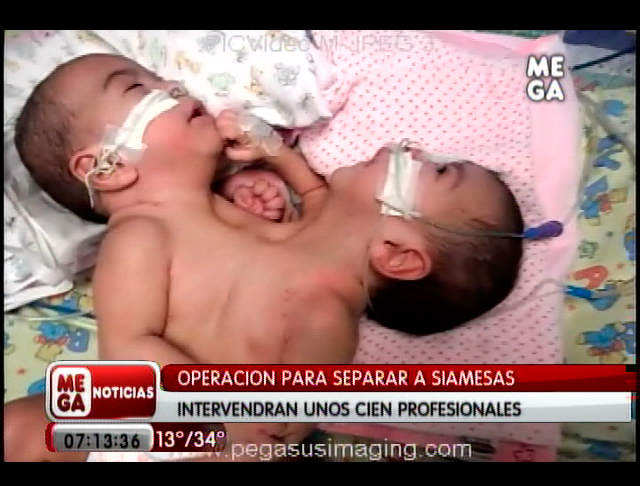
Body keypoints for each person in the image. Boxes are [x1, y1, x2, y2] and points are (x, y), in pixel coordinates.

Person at [4, 52, 523, 462]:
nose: (175, 84)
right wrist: (272, 154)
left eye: (439, 172)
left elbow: (133, 351)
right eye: (141, 88)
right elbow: (128, 353)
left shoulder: (316, 289)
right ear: (106, 167)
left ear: (398, 255)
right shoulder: (161, 230)